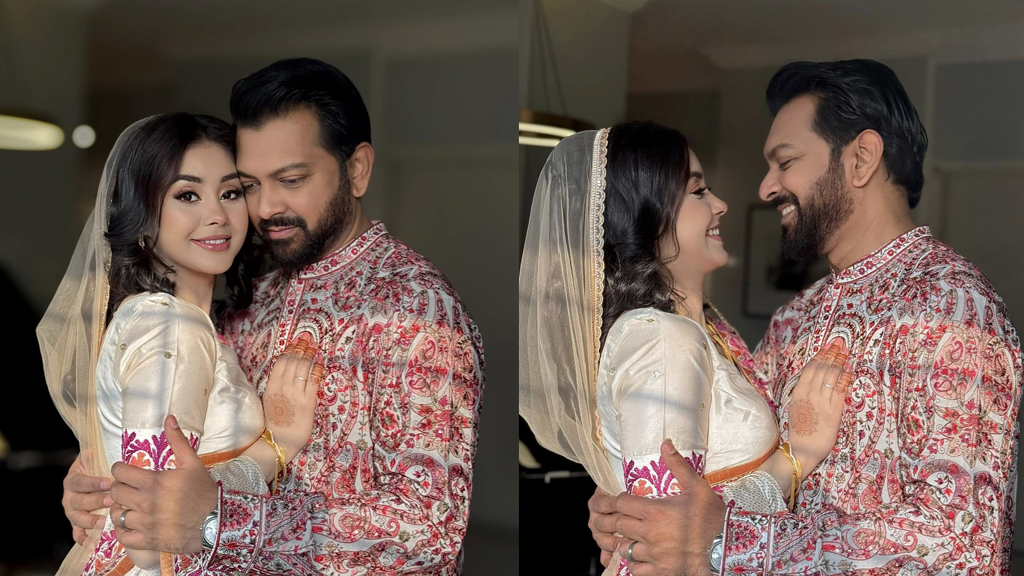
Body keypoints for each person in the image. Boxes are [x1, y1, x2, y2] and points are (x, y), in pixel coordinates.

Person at [588, 59, 1022, 574]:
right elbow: (731, 466)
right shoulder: (795, 318)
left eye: (785, 161)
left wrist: (726, 542)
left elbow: (963, 545)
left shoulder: (954, 311)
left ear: (861, 159)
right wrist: (637, 513)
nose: (765, 188)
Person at [60, 58, 485, 575]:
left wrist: (220, 522)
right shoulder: (248, 300)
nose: (265, 209)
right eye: (250, 186)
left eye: (291, 179)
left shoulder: (417, 311)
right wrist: (102, 485)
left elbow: (430, 529)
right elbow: (186, 453)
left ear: (356, 169)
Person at [519, 120, 851, 576]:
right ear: (647, 218)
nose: (720, 204)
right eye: (697, 191)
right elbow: (668, 533)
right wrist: (798, 457)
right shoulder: (662, 337)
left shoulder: (700, 326)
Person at [39, 112, 323, 576]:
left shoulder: (163, 319)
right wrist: (277, 446)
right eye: (187, 195)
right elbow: (153, 527)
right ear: (143, 216)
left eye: (230, 193)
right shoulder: (171, 326)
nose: (217, 215)